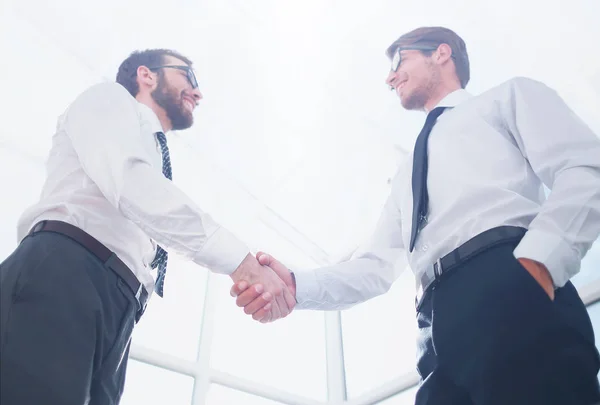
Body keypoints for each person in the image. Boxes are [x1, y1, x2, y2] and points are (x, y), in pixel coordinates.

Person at [230, 27, 600, 405]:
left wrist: (539, 263)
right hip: (434, 327)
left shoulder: (508, 98)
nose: (390, 77)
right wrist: (295, 285)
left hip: (509, 281)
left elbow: (585, 168)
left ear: (441, 53)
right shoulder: (406, 173)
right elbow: (374, 268)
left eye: (400, 61)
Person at [0, 48, 295, 405]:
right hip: (64, 275)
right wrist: (241, 262)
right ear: (147, 75)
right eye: (190, 76)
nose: (198, 92)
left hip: (117, 308)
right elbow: (131, 182)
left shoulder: (153, 150)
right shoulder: (108, 98)